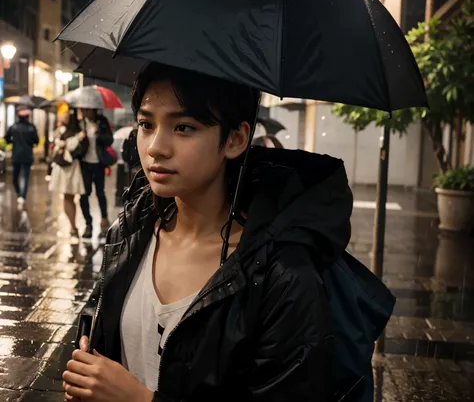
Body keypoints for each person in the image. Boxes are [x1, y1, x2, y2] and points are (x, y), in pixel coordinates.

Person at [63, 62, 352, 401]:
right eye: (145, 124)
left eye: (184, 127)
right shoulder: (130, 230)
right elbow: (97, 327)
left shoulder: (281, 275)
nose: (156, 146)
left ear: (235, 139)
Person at [49, 109, 87, 239]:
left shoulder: (72, 131)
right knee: (68, 197)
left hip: (69, 167)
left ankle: (73, 226)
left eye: (65, 116)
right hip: (68, 167)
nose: (62, 117)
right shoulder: (65, 131)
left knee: (69, 197)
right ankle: (73, 226)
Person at [78, 108, 114, 240]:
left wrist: (99, 134)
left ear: (93, 110)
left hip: (98, 163)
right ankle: (88, 224)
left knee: (100, 192)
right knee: (83, 194)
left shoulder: (102, 122)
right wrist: (80, 138)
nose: (84, 112)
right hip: (84, 164)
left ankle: (104, 221)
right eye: (83, 110)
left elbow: (109, 140)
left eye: (87, 110)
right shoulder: (80, 123)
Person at [5, 108, 39, 207]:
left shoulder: (13, 127)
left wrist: (13, 141)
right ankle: (22, 197)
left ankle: (19, 194)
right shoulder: (32, 127)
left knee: (15, 177)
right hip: (27, 155)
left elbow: (7, 139)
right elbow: (36, 141)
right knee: (25, 177)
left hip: (16, 155)